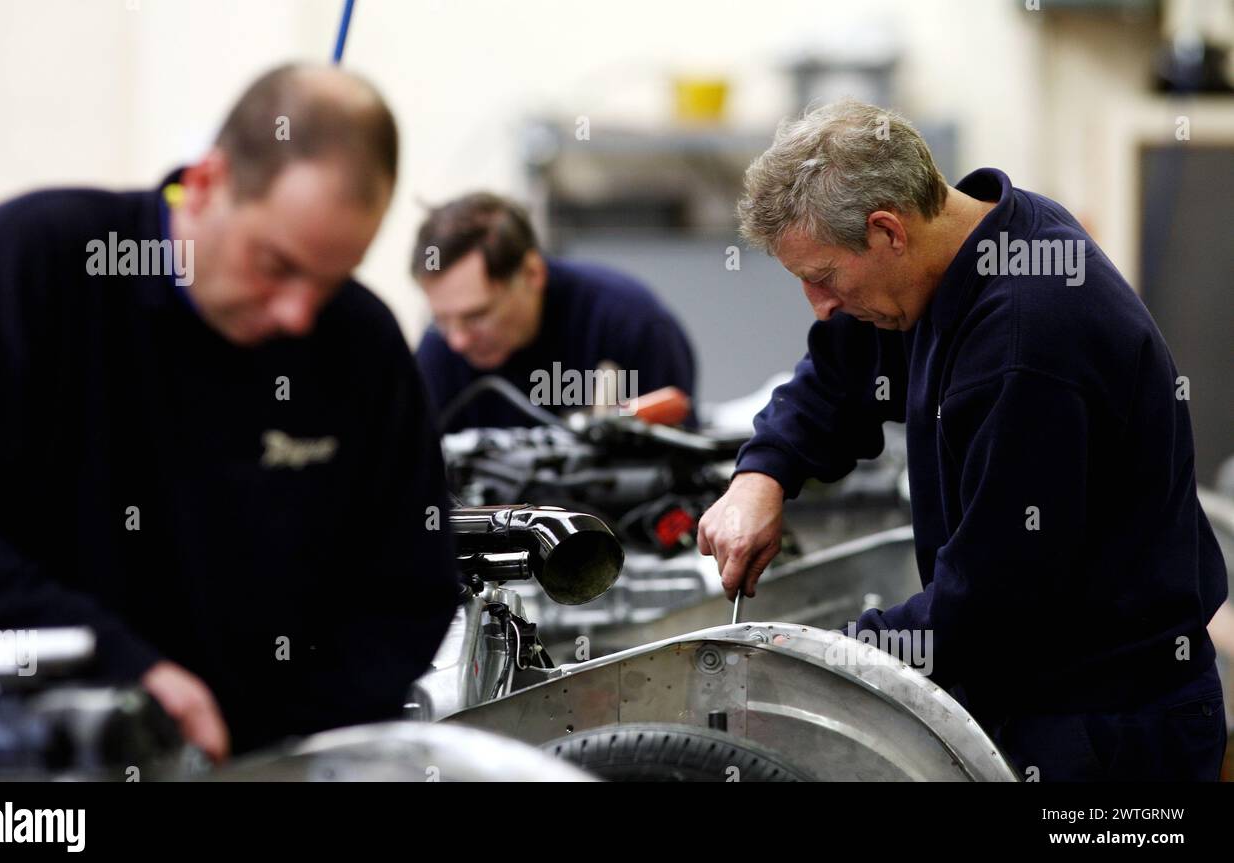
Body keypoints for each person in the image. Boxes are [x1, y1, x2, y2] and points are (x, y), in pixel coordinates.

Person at [0, 64, 458, 759]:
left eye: (330, 282)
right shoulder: (35, 266)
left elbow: (410, 584)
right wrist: (122, 669)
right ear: (206, 183)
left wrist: (279, 751)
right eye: (276, 265)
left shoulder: (360, 347)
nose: (298, 314)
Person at [697, 99, 1227, 781]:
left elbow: (991, 608)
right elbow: (840, 377)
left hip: (1105, 734)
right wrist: (761, 476)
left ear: (887, 231)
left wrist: (806, 664)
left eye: (823, 278)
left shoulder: (1026, 342)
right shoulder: (968, 245)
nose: (820, 304)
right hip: (1039, 699)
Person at [411, 192, 697, 431]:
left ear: (532, 273)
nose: (458, 341)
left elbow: (679, 466)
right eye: (442, 319)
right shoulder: (438, 349)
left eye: (477, 316)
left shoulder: (630, 326)